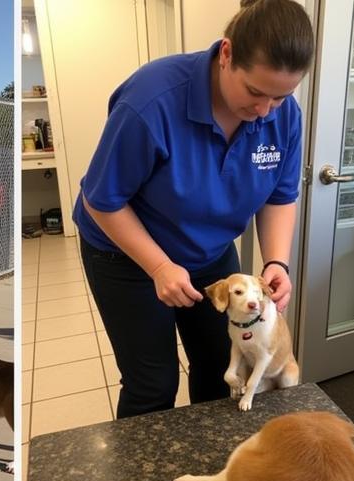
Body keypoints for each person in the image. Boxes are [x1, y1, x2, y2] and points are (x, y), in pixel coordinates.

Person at [75, 0, 314, 418]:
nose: (264, 111)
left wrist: (277, 261)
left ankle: (210, 466)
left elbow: (280, 194)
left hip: (211, 251)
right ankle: (141, 476)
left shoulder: (283, 115)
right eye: (256, 92)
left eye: (281, 96)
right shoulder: (151, 102)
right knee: (153, 381)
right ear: (226, 55)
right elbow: (103, 200)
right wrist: (158, 267)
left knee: (220, 365)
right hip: (126, 254)